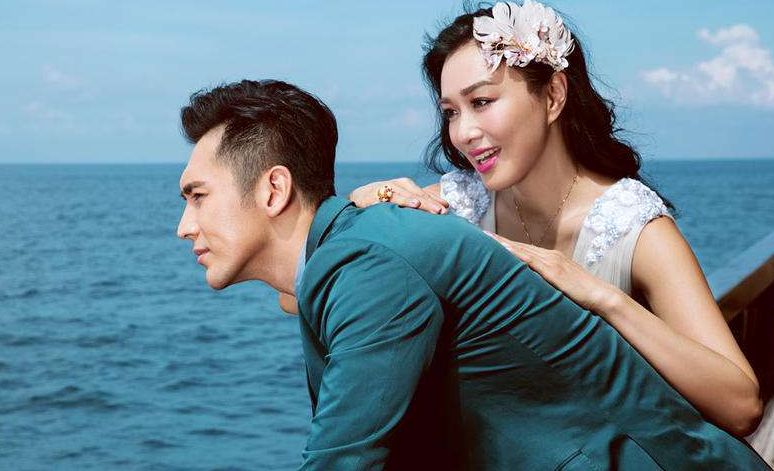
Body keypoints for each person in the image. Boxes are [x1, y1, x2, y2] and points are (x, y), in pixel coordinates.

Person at [176, 78, 770, 469]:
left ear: (274, 188)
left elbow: (344, 456)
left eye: (198, 196)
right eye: (451, 111)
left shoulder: (366, 259)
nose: (184, 226)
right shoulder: (364, 243)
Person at [348, 0, 764, 439]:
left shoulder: (631, 225)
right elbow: (319, 271)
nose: (463, 132)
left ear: (553, 96)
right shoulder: (457, 205)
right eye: (451, 111)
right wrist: (369, 198)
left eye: (482, 101)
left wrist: (603, 299)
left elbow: (741, 406)